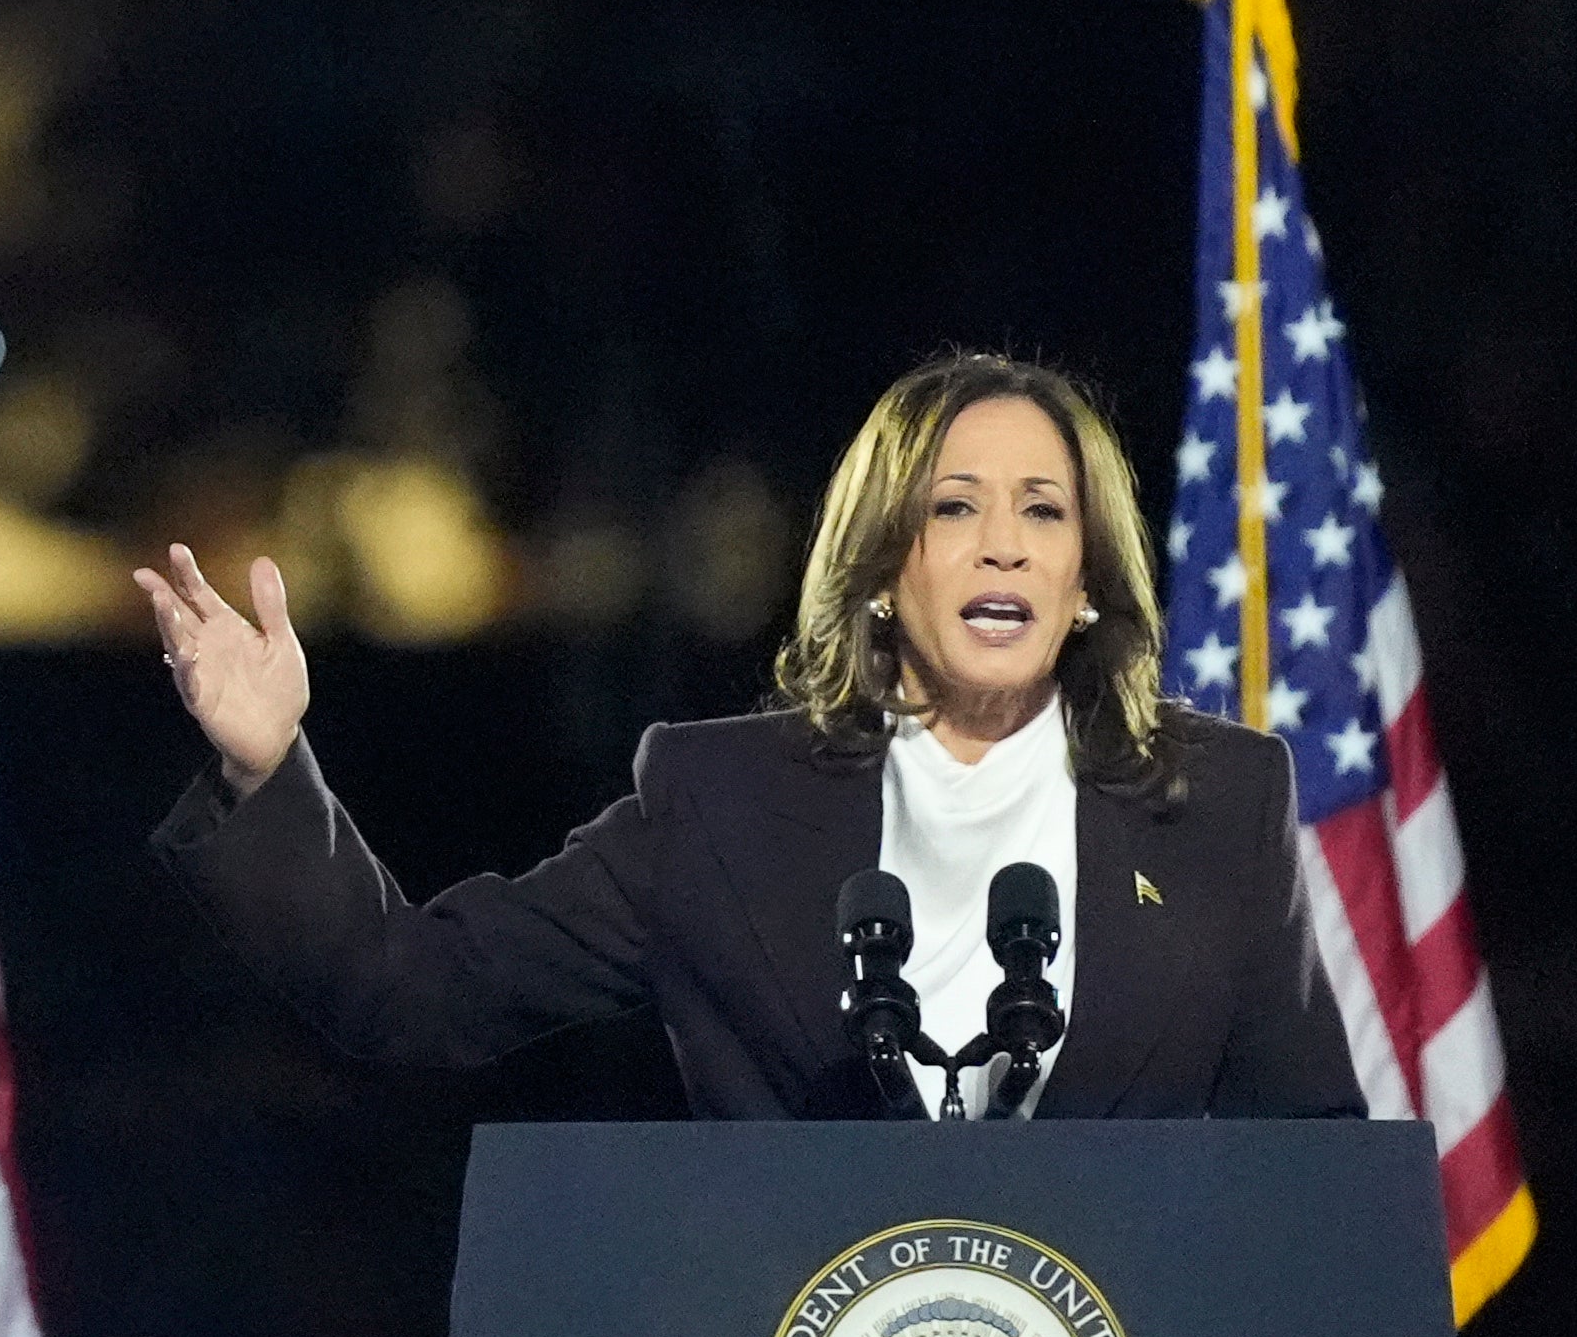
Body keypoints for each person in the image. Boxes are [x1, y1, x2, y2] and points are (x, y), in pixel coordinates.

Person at [133, 347, 1363, 1120]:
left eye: (1044, 510)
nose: (1003, 541)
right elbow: (413, 992)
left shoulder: (1217, 805)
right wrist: (264, 762)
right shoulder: (717, 807)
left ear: (1085, 576)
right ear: (883, 569)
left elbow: (1307, 1177)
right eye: (954, 508)